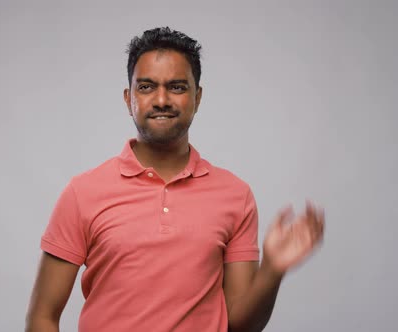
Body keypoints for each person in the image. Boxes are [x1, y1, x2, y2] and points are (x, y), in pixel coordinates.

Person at [25, 27, 325, 332]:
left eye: (177, 87)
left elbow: (239, 325)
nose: (161, 100)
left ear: (198, 97)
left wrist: (272, 272)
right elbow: (42, 317)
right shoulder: (83, 192)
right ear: (129, 98)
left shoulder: (236, 195)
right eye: (146, 87)